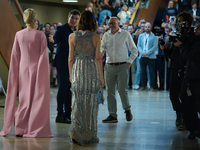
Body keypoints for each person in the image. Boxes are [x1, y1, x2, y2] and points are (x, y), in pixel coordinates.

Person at [0, 8, 52, 138]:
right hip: (37, 70)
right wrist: (42, 73)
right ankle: (33, 127)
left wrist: (15, 73)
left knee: (24, 99)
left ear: (24, 19)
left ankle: (20, 128)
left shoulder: (19, 34)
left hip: (23, 71)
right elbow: (43, 57)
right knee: (36, 99)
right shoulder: (40, 35)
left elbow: (15, 56)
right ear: (35, 20)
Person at [68, 11, 105, 145]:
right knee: (91, 104)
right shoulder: (96, 37)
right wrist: (102, 77)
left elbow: (71, 58)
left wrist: (71, 75)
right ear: (93, 22)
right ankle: (89, 134)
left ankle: (75, 133)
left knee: (77, 103)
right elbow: (97, 58)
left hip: (77, 71)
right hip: (91, 73)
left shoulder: (72, 36)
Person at [101, 17, 138, 123]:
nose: (111, 26)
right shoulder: (106, 35)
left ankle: (127, 109)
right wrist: (101, 51)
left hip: (122, 66)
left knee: (122, 90)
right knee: (110, 92)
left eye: (113, 23)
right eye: (109, 24)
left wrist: (129, 62)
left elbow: (134, 50)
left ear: (118, 24)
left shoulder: (125, 34)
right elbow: (102, 47)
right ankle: (112, 115)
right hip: (109, 66)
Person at [160, 11, 192, 130]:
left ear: (186, 22)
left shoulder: (191, 37)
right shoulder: (177, 36)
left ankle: (185, 119)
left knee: (185, 97)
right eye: (178, 22)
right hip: (174, 70)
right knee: (173, 96)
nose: (178, 24)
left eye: (180, 21)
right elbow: (172, 55)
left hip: (185, 71)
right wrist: (165, 49)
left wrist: (181, 45)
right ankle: (179, 114)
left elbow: (190, 55)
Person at [48, 9, 80, 124]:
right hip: (62, 63)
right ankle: (59, 114)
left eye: (76, 18)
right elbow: (55, 40)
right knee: (63, 87)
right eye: (72, 18)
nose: (74, 20)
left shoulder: (78, 31)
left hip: (74, 64)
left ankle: (68, 113)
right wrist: (52, 41)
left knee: (70, 89)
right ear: (68, 18)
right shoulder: (61, 29)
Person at [174, 16, 200, 139]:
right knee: (185, 100)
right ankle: (193, 129)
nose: (196, 29)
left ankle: (195, 128)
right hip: (189, 75)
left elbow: (190, 55)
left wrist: (181, 46)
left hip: (197, 77)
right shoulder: (194, 39)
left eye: (198, 28)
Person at [137, 22, 158, 91]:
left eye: (148, 27)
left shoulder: (154, 36)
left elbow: (155, 46)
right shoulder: (141, 36)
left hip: (151, 57)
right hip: (142, 56)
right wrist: (142, 52)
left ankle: (151, 86)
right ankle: (143, 85)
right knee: (142, 71)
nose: (147, 28)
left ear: (150, 28)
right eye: (146, 27)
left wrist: (147, 53)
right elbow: (138, 45)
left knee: (151, 72)